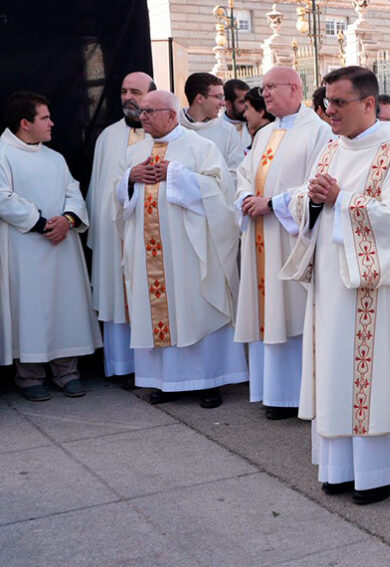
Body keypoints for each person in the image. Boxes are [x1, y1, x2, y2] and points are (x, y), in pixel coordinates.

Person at [280, 66, 390, 505]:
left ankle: (379, 471)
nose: (330, 112)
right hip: (331, 285)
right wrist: (310, 199)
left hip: (373, 290)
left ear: (368, 104)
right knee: (334, 370)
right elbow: (305, 201)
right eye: (327, 103)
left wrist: (340, 199)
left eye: (339, 103)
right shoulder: (330, 149)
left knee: (371, 374)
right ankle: (340, 467)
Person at [117, 90, 247, 408]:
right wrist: (129, 180)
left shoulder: (201, 147)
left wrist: (176, 175)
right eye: (141, 111)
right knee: (160, 309)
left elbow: (221, 192)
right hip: (149, 250)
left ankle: (208, 381)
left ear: (171, 114)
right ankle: (166, 382)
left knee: (194, 306)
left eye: (149, 111)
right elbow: (117, 198)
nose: (142, 116)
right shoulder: (136, 152)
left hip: (189, 249)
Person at [235, 67, 332, 420]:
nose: (265, 94)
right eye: (263, 88)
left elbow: (318, 184)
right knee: (268, 311)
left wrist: (273, 203)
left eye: (271, 87)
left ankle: (296, 396)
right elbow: (244, 173)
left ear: (294, 87)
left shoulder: (318, 131)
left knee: (290, 313)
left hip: (289, 238)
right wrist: (246, 195)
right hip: (261, 236)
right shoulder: (265, 133)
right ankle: (271, 392)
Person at [0, 91, 102, 400]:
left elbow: (73, 190)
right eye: (45, 118)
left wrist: (68, 220)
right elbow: (2, 196)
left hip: (60, 247)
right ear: (24, 123)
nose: (52, 123)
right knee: (28, 308)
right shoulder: (2, 153)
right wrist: (42, 222)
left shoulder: (54, 158)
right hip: (24, 247)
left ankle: (66, 371)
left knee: (64, 305)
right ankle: (29, 376)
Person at [85, 71, 155, 379]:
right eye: (124, 91)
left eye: (136, 92)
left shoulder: (164, 133)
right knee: (119, 292)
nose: (128, 97)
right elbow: (101, 189)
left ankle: (154, 366)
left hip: (153, 231)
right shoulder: (108, 137)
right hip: (117, 233)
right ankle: (124, 366)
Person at [178, 73, 244, 175]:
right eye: (219, 97)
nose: (223, 103)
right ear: (199, 98)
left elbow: (235, 173)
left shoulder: (228, 131)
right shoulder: (174, 128)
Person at [222, 78, 252, 149]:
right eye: (242, 102)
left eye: (249, 100)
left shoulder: (256, 124)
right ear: (228, 104)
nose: (247, 105)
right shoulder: (218, 128)